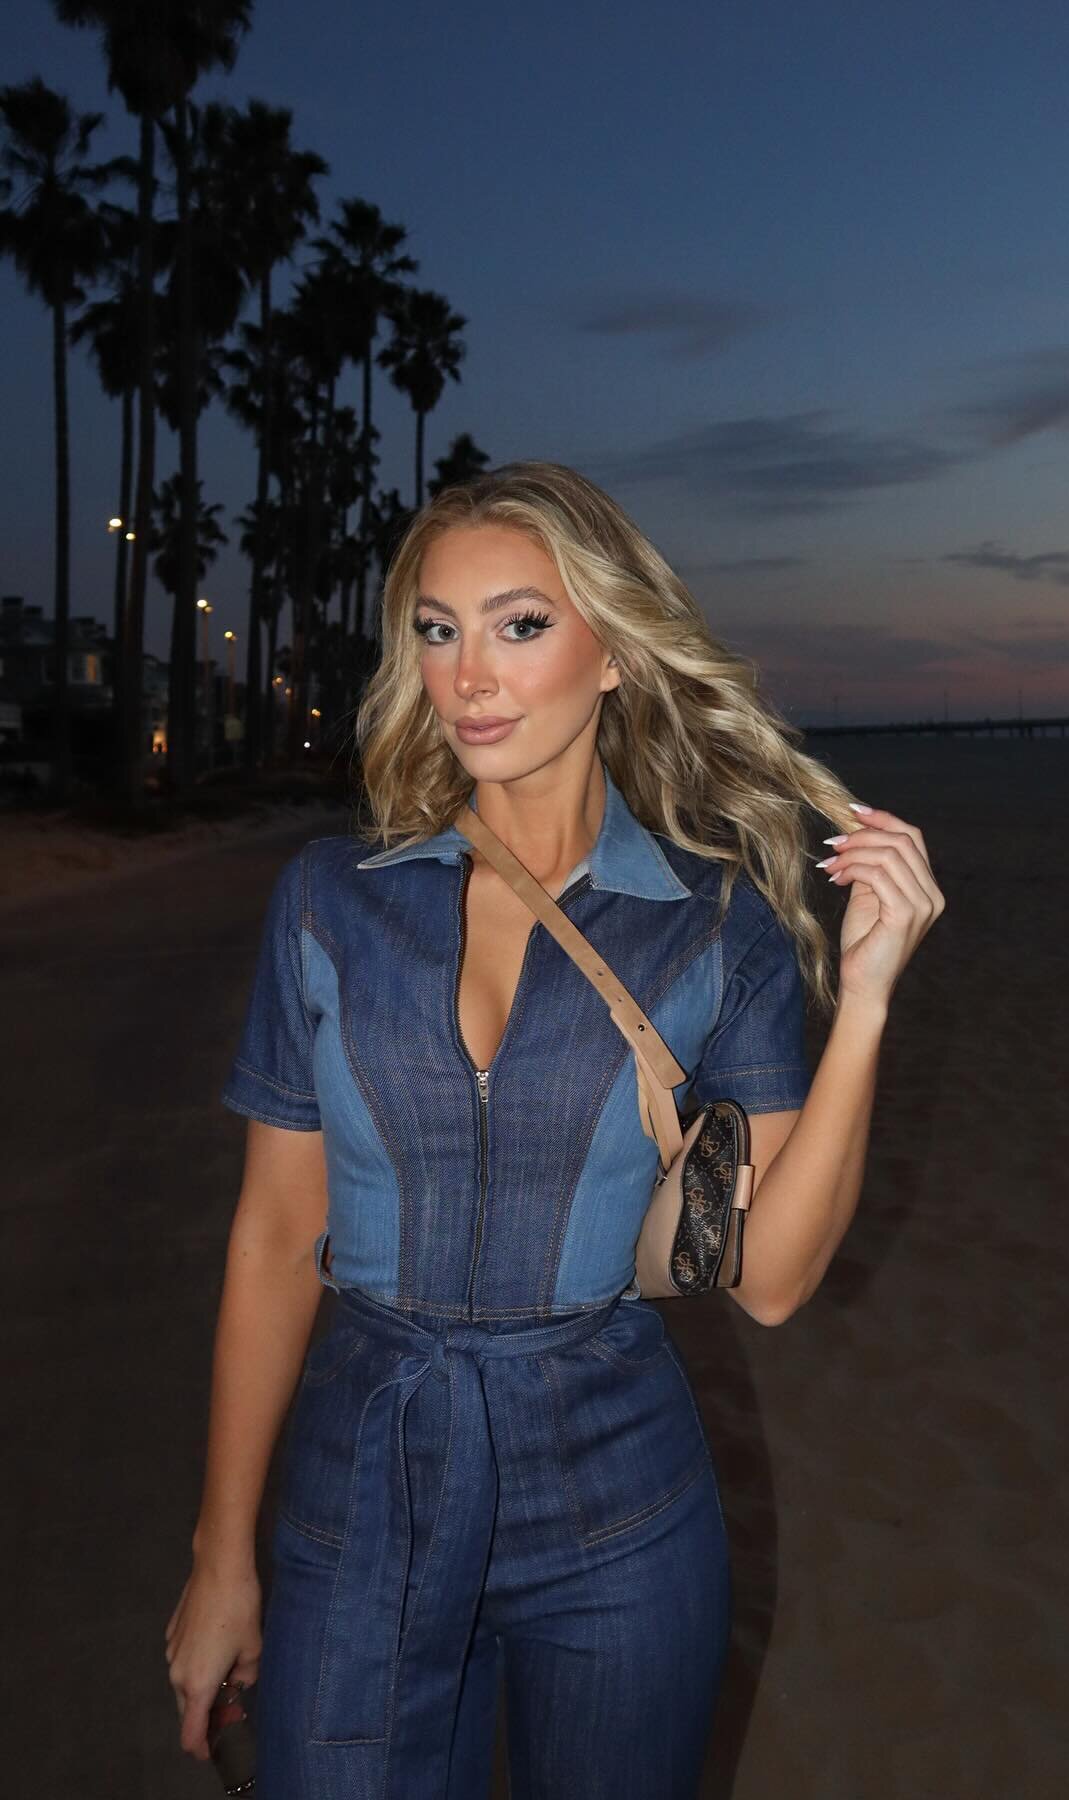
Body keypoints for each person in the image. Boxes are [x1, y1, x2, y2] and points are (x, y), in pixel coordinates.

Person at [163, 462, 944, 1796]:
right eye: (438, 628)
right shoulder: (331, 903)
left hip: (618, 1496)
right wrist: (220, 1554)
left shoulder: (713, 924)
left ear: (615, 656)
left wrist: (863, 1002)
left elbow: (771, 1282)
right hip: (361, 1485)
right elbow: (277, 1234)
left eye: (521, 625)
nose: (470, 674)